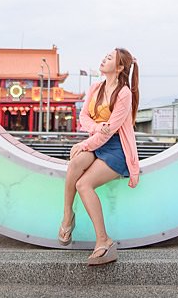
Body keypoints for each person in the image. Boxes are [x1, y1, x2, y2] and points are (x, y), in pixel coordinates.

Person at [57, 47, 140, 266]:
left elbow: (110, 132)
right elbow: (83, 117)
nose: (104, 59)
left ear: (120, 67)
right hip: (96, 141)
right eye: (105, 56)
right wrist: (96, 128)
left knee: (84, 184)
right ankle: (67, 216)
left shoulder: (124, 94)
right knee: (75, 164)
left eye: (110, 58)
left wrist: (86, 142)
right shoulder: (95, 87)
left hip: (116, 148)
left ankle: (103, 240)